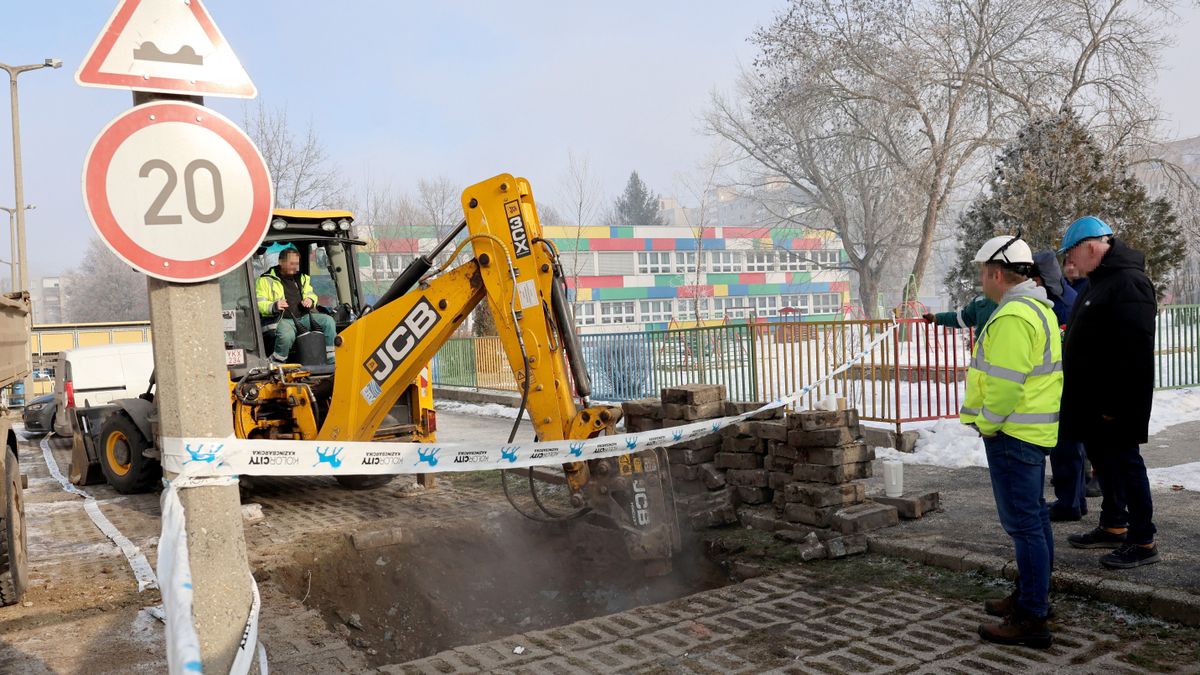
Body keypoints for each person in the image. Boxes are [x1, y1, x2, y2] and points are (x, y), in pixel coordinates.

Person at [961, 235, 1061, 649]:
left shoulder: (1014, 315)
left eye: (983, 274)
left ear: (996, 273)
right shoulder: (1034, 309)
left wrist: (987, 423)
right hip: (1027, 433)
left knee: (1024, 526)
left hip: (1012, 433)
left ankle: (1032, 617)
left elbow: (1004, 384)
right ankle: (1031, 597)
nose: (981, 282)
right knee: (1034, 519)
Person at [1058, 216, 1160, 569]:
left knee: (1127, 465)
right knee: (1105, 464)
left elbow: (1133, 351)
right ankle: (1115, 524)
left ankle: (1143, 539)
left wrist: (1115, 405)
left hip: (1115, 402)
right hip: (1092, 401)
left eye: (1071, 255)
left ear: (1090, 248)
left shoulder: (1129, 283)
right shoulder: (1097, 282)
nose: (1069, 263)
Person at [1031, 251, 1087, 521]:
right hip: (1073, 381)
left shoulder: (1058, 304)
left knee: (1065, 447)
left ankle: (1069, 504)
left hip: (1065, 383)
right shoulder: (1069, 296)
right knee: (1073, 447)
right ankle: (1076, 500)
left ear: (1040, 278)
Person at [255, 247, 337, 364]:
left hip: (303, 318)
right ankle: (277, 363)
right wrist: (274, 305)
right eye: (292, 263)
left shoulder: (302, 278)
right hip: (282, 319)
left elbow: (312, 294)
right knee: (286, 335)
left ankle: (331, 361)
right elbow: (259, 304)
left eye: (297, 264)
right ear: (281, 262)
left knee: (328, 321)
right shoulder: (264, 280)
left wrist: (310, 300)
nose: (295, 267)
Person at [921, 294, 997, 333]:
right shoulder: (981, 299)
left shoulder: (1007, 298)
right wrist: (937, 318)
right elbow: (963, 318)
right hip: (986, 356)